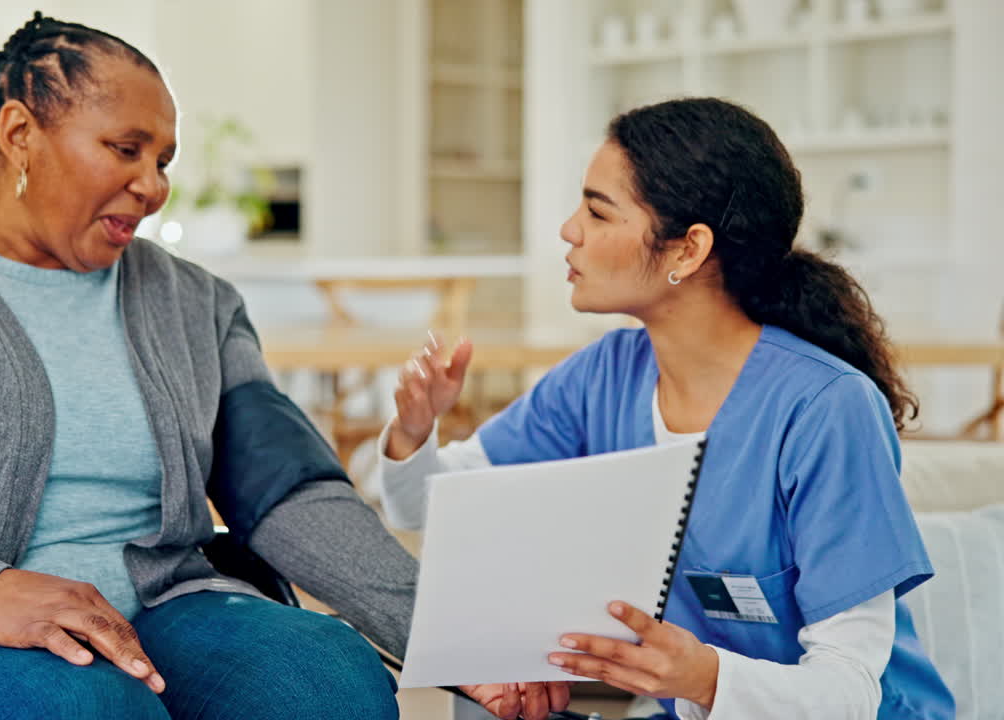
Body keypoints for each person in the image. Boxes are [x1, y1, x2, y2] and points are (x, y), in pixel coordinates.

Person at [0, 14, 423, 720]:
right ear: (20, 134)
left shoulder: (195, 302)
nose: (152, 186)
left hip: (163, 608)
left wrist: (451, 640)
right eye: (126, 149)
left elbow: (291, 494)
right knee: (83, 705)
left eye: (163, 162)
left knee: (331, 681)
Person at [379, 97, 955, 719]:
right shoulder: (603, 377)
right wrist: (416, 429)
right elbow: (429, 509)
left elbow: (849, 694)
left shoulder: (825, 409)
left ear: (688, 250)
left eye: (599, 212)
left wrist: (704, 679)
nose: (569, 231)